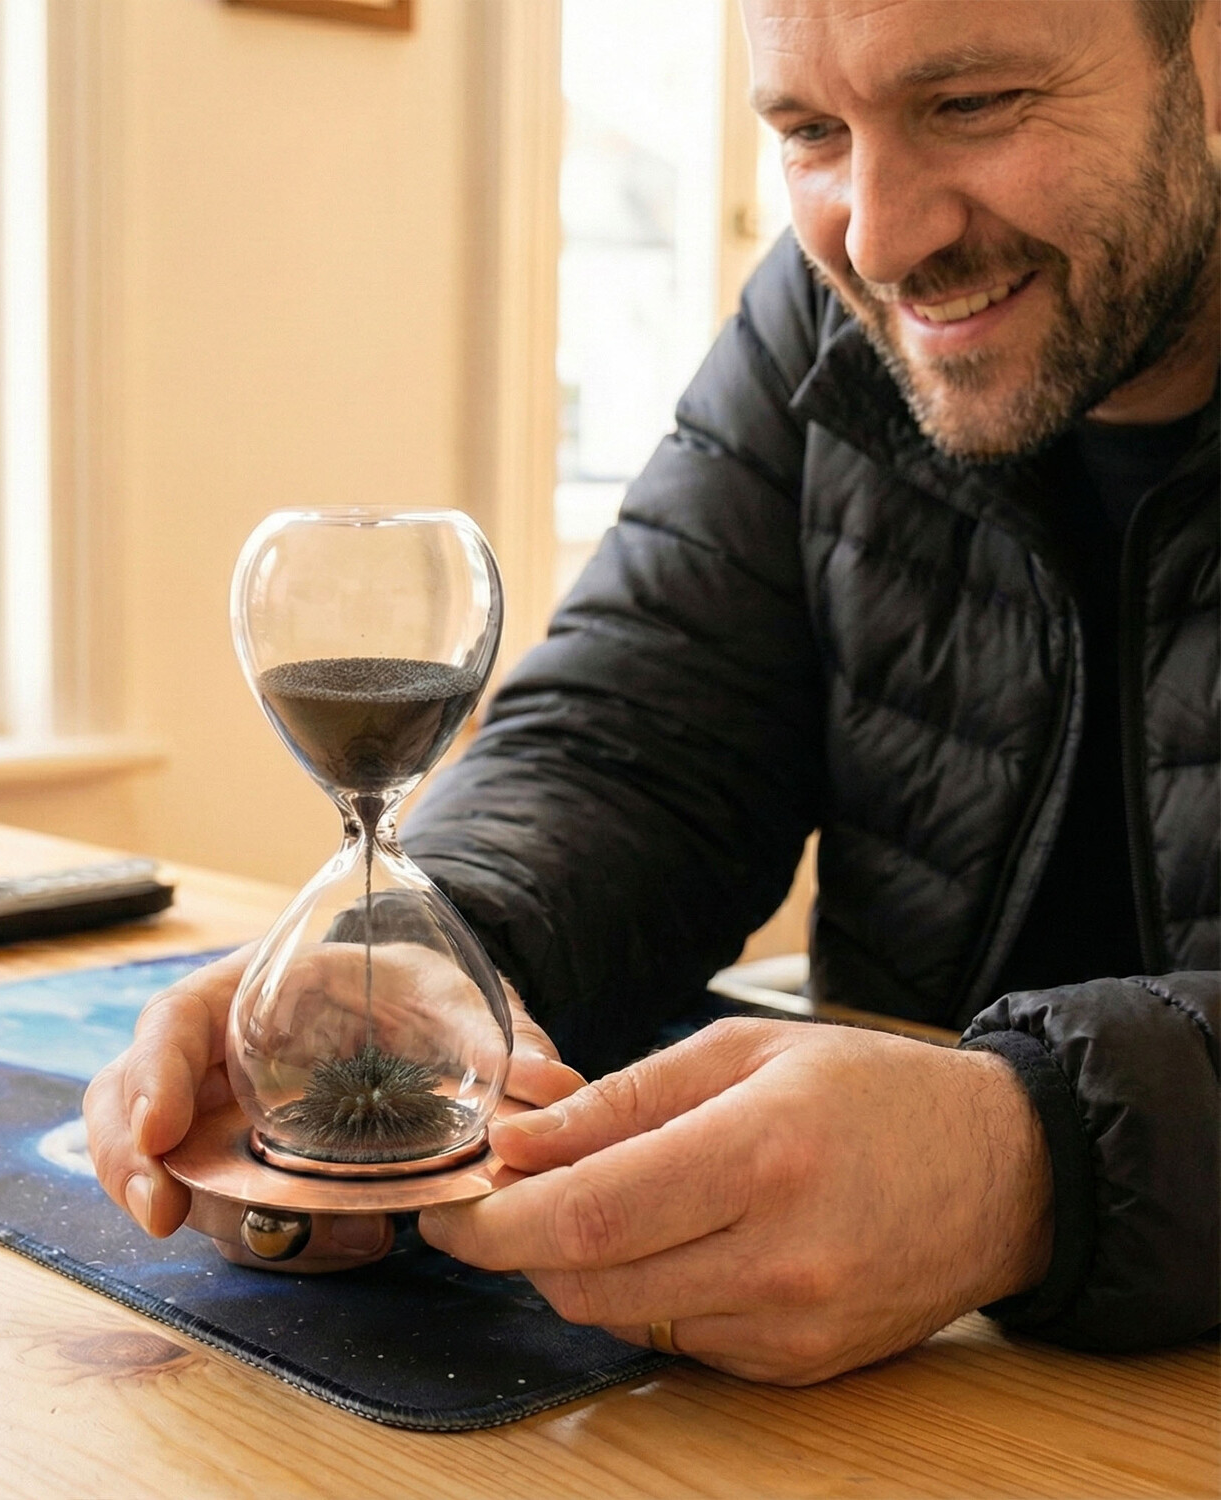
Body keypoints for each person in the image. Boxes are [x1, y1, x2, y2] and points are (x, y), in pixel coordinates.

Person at [84, 0, 1219, 1383]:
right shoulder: (831, 317)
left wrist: (1032, 1159)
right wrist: (432, 977)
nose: (876, 234)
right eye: (808, 131)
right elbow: (634, 747)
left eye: (971, 103)